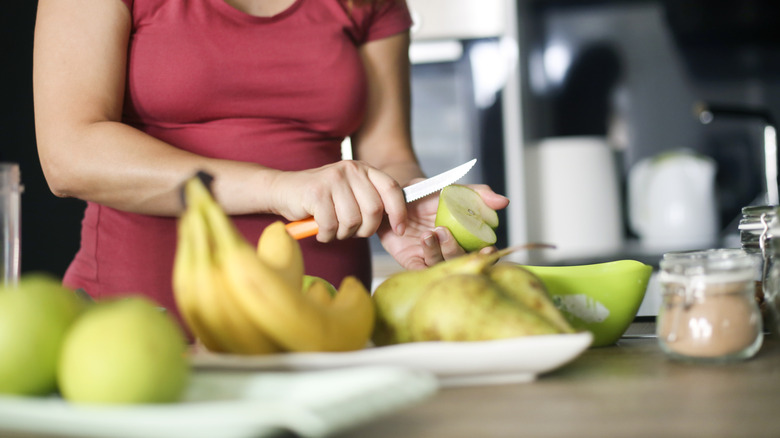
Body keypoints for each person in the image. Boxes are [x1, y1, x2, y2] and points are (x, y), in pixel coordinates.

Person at [32, 0, 510, 325]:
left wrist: (408, 203)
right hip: (137, 320)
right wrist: (277, 188)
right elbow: (71, 155)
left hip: (322, 321)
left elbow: (388, 154)